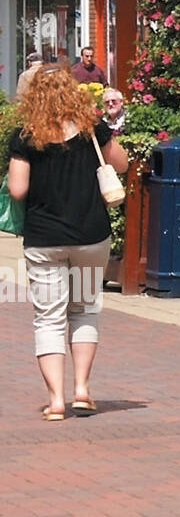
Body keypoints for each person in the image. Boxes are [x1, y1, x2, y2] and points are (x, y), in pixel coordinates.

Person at [7, 65, 129, 421]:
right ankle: (82, 391)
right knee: (85, 309)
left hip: (45, 239)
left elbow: (17, 190)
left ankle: (57, 400)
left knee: (48, 318)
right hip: (90, 235)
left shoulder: (25, 137)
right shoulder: (93, 129)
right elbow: (119, 164)